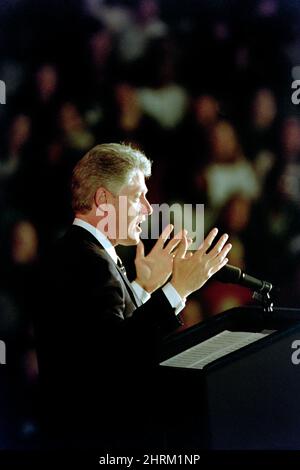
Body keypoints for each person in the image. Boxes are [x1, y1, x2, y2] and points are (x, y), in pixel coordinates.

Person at [34, 143, 231, 450]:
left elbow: (101, 337)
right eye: (138, 195)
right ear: (103, 200)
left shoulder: (81, 252)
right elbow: (118, 358)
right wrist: (178, 289)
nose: (149, 208)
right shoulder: (88, 261)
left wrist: (143, 288)